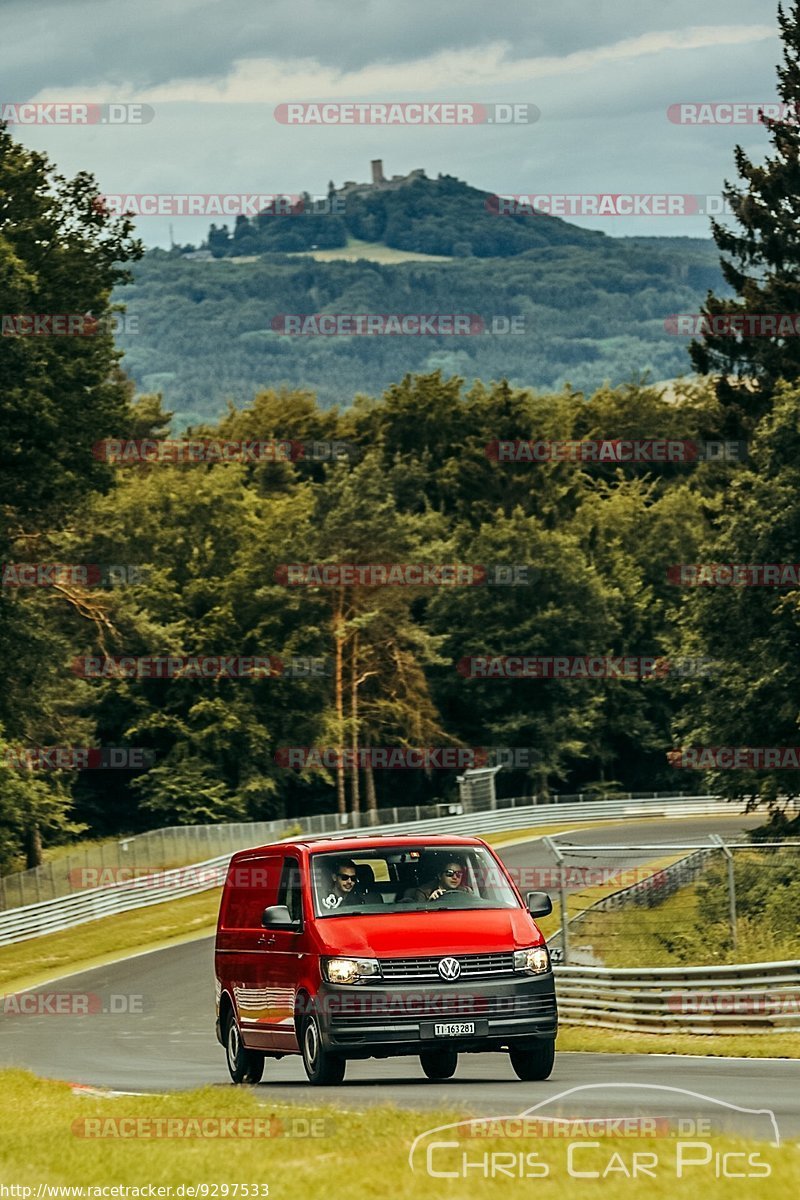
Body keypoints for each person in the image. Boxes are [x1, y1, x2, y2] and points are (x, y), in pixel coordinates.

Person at [404, 857, 472, 902]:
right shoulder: (424, 892)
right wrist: (430, 902)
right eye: (449, 873)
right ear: (440, 876)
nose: (454, 877)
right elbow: (420, 917)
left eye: (458, 874)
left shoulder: (466, 891)